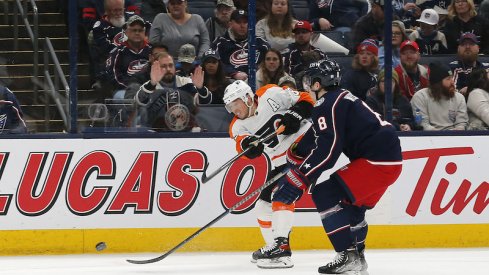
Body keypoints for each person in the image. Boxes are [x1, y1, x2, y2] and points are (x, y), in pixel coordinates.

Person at [270, 58, 403, 274]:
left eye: (309, 80)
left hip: (377, 161)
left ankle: (347, 255)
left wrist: (301, 176)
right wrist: (295, 157)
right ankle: (357, 257)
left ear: (317, 83)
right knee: (352, 207)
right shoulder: (338, 99)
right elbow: (317, 135)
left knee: (324, 194)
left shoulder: (326, 103)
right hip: (387, 159)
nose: (307, 85)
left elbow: (329, 149)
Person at [223, 80, 314, 268]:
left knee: (281, 196)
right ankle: (273, 246)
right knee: (262, 206)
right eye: (229, 106)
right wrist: (250, 147)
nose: (233, 110)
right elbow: (243, 147)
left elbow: (306, 99)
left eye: (235, 103)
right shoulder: (237, 126)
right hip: (281, 160)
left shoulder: (270, 93)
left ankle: (282, 248)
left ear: (248, 98)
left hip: (304, 142)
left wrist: (294, 114)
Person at [133, 52, 212, 130]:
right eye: (163, 66)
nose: (168, 69)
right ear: (156, 68)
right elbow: (139, 101)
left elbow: (206, 101)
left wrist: (200, 88)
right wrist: (152, 83)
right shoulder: (150, 85)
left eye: (170, 65)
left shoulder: (186, 82)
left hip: (185, 130)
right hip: (156, 131)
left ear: (175, 67)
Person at [210, 9, 270, 81]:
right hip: (230, 82)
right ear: (230, 24)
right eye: (238, 22)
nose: (242, 26)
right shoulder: (220, 43)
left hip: (257, 81)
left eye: (245, 22)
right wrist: (233, 73)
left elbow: (271, 61)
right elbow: (212, 63)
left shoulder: (260, 43)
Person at [411, 61, 468, 130]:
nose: (452, 82)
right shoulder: (420, 97)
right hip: (429, 137)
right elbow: (422, 124)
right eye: (448, 79)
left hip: (454, 137)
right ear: (437, 83)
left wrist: (456, 132)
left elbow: (461, 123)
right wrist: (439, 135)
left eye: (452, 78)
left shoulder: (459, 97)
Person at [105, 15, 152, 100]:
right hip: (124, 90)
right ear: (126, 32)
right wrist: (133, 88)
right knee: (123, 98)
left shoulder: (152, 51)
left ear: (144, 33)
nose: (137, 33)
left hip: (149, 88)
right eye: (134, 30)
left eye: (140, 30)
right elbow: (113, 77)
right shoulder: (117, 52)